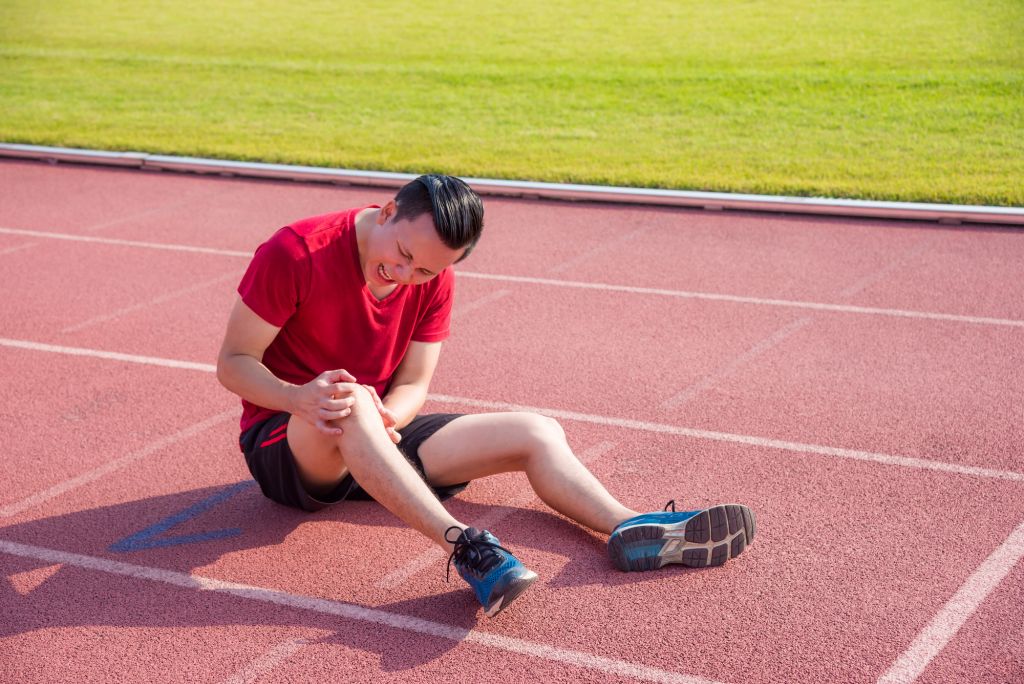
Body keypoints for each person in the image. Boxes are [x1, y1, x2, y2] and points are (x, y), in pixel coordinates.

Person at [216, 174, 755, 617]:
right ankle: (466, 547)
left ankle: (629, 526)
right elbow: (233, 364)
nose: (406, 275)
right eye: (402, 255)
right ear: (386, 212)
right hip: (287, 441)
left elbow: (412, 386)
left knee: (535, 431)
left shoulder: (433, 279)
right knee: (351, 400)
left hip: (374, 434)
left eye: (425, 269)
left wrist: (385, 419)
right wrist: (299, 397)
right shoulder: (298, 252)